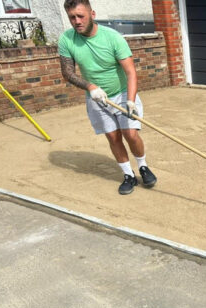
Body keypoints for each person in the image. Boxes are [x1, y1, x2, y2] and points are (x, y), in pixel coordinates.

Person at [58, 0, 156, 195]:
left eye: (80, 16)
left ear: (92, 14)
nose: (76, 21)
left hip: (121, 93)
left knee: (131, 134)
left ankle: (143, 166)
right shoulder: (66, 40)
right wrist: (90, 87)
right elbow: (67, 73)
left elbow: (131, 72)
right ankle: (128, 175)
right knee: (113, 136)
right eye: (72, 17)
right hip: (96, 98)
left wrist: (130, 100)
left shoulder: (113, 37)